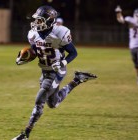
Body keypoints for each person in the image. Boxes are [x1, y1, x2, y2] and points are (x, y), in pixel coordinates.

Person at [12, 5, 97, 140]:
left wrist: (62, 63)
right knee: (53, 103)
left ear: (49, 20)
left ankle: (25, 134)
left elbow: (73, 52)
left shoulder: (60, 33)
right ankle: (77, 80)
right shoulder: (33, 33)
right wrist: (26, 56)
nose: (36, 23)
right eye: (36, 20)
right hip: (45, 71)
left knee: (40, 99)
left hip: (57, 71)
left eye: (39, 20)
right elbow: (35, 50)